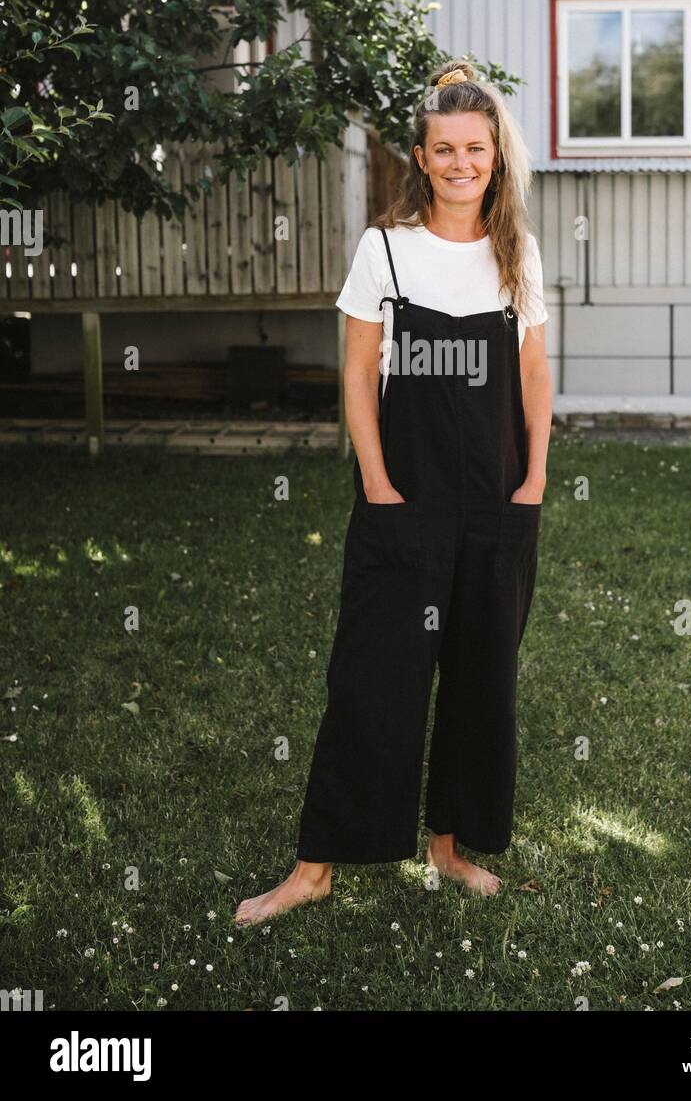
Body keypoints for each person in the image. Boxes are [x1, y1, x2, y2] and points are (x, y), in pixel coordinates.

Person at [234, 59, 552, 925]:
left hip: (494, 508)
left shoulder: (514, 250)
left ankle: (448, 848)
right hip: (400, 504)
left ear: (494, 155)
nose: (459, 163)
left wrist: (533, 481)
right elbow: (359, 371)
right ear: (420, 155)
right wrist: (377, 486)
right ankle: (314, 868)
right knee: (372, 680)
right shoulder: (383, 249)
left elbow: (532, 373)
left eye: (474, 148)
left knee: (480, 678)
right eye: (443, 148)